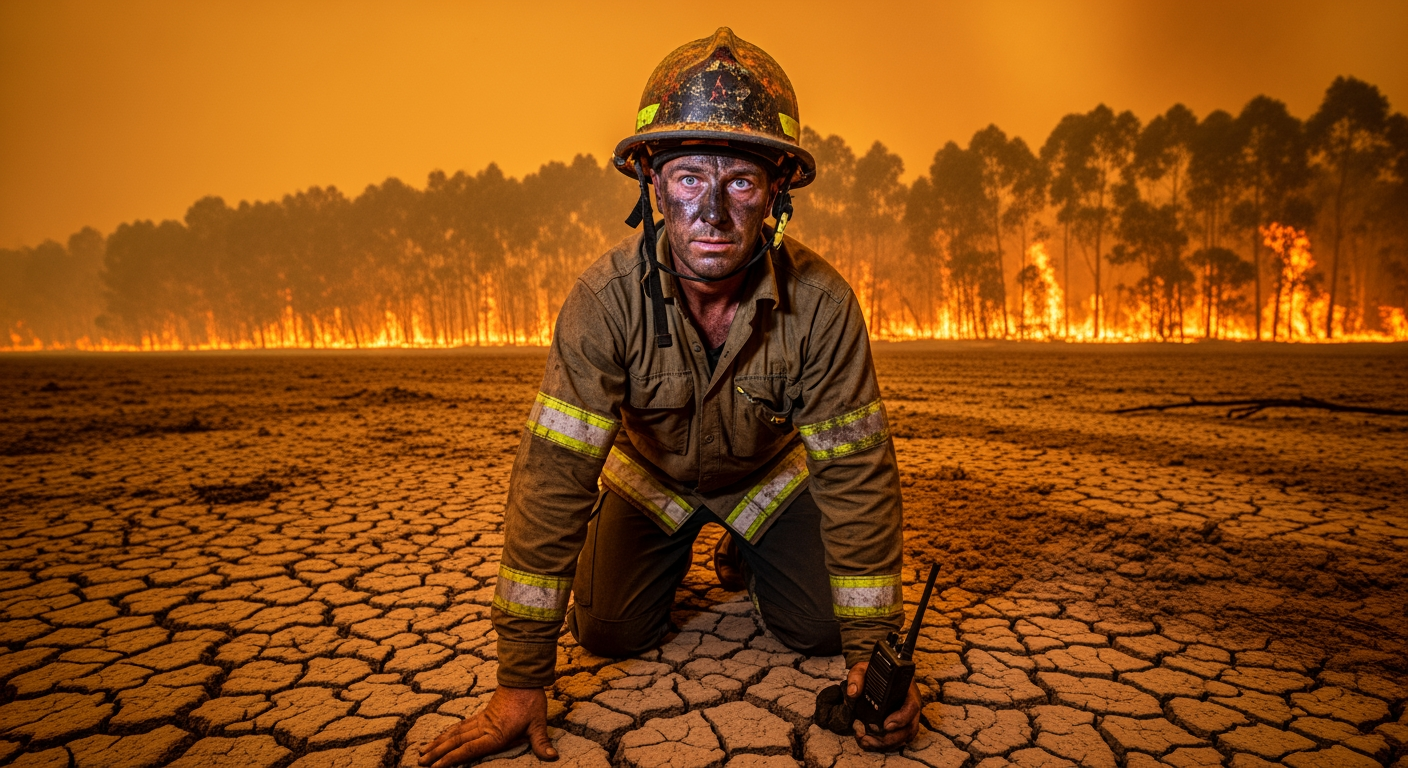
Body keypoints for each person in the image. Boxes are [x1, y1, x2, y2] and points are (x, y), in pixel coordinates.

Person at [421, 27, 916, 768]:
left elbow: (856, 475)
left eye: (740, 182)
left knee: (820, 627)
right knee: (607, 632)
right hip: (651, 480)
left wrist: (872, 658)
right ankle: (665, 551)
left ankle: (747, 550)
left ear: (777, 192)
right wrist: (520, 681)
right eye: (688, 178)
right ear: (651, 183)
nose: (712, 211)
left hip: (765, 481)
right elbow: (554, 477)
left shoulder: (823, 305)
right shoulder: (603, 301)